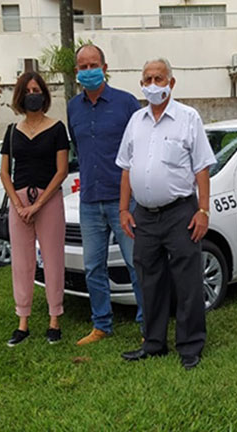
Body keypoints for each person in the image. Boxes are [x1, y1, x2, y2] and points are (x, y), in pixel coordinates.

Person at [116, 58, 216, 369]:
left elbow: (202, 167)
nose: (153, 84)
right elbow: (126, 168)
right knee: (150, 279)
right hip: (144, 215)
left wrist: (203, 210)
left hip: (180, 213)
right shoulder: (136, 121)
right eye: (147, 78)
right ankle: (154, 342)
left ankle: (190, 346)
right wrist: (123, 209)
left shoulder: (188, 118)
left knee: (187, 280)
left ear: (171, 83)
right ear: (141, 83)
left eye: (159, 78)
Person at [67, 44, 144, 345]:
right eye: (83, 67)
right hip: (89, 201)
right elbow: (78, 146)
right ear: (76, 72)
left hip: (124, 201)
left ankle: (146, 324)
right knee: (92, 266)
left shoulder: (126, 104)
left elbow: (140, 147)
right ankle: (102, 324)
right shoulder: (73, 107)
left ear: (105, 66)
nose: (88, 71)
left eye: (93, 65)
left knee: (136, 264)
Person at [0, 71, 69, 347]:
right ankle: (23, 321)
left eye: (36, 89)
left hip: (49, 200)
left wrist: (38, 204)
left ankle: (54, 319)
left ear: (44, 94)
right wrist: (18, 205)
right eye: (27, 91)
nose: (32, 95)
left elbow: (62, 170)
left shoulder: (56, 128)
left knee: (53, 260)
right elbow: (5, 172)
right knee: (22, 263)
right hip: (20, 203)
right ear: (20, 96)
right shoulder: (11, 132)